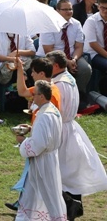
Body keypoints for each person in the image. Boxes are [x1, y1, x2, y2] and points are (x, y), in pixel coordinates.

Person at [45, 50, 107, 216]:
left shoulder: (59, 84)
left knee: (59, 170)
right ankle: (72, 206)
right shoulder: (68, 79)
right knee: (70, 170)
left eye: (48, 63)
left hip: (61, 129)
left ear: (56, 65)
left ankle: (70, 205)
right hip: (70, 128)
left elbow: (57, 109)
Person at [13, 80, 66, 221]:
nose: (32, 97)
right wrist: (32, 129)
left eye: (34, 94)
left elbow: (38, 145)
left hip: (43, 162)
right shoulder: (52, 110)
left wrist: (23, 142)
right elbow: (48, 134)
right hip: (50, 159)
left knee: (47, 194)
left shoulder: (43, 116)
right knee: (34, 193)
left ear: (42, 96)